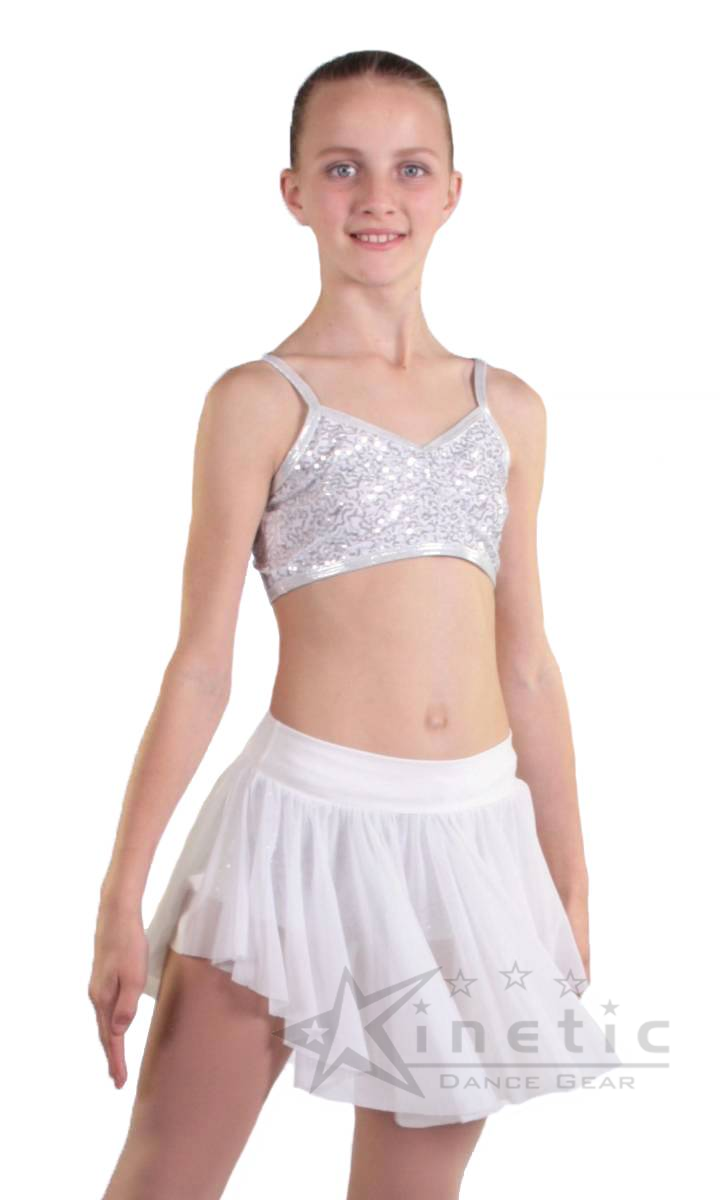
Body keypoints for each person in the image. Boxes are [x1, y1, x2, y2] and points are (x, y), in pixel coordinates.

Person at [90, 48, 621, 1200]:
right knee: (169, 1174)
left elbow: (527, 662)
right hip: (297, 828)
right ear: (294, 192)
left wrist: (569, 876)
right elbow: (200, 665)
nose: (378, 196)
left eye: (409, 168)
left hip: (469, 844)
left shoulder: (508, 410)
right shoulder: (259, 400)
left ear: (452, 191)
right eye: (342, 168)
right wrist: (121, 893)